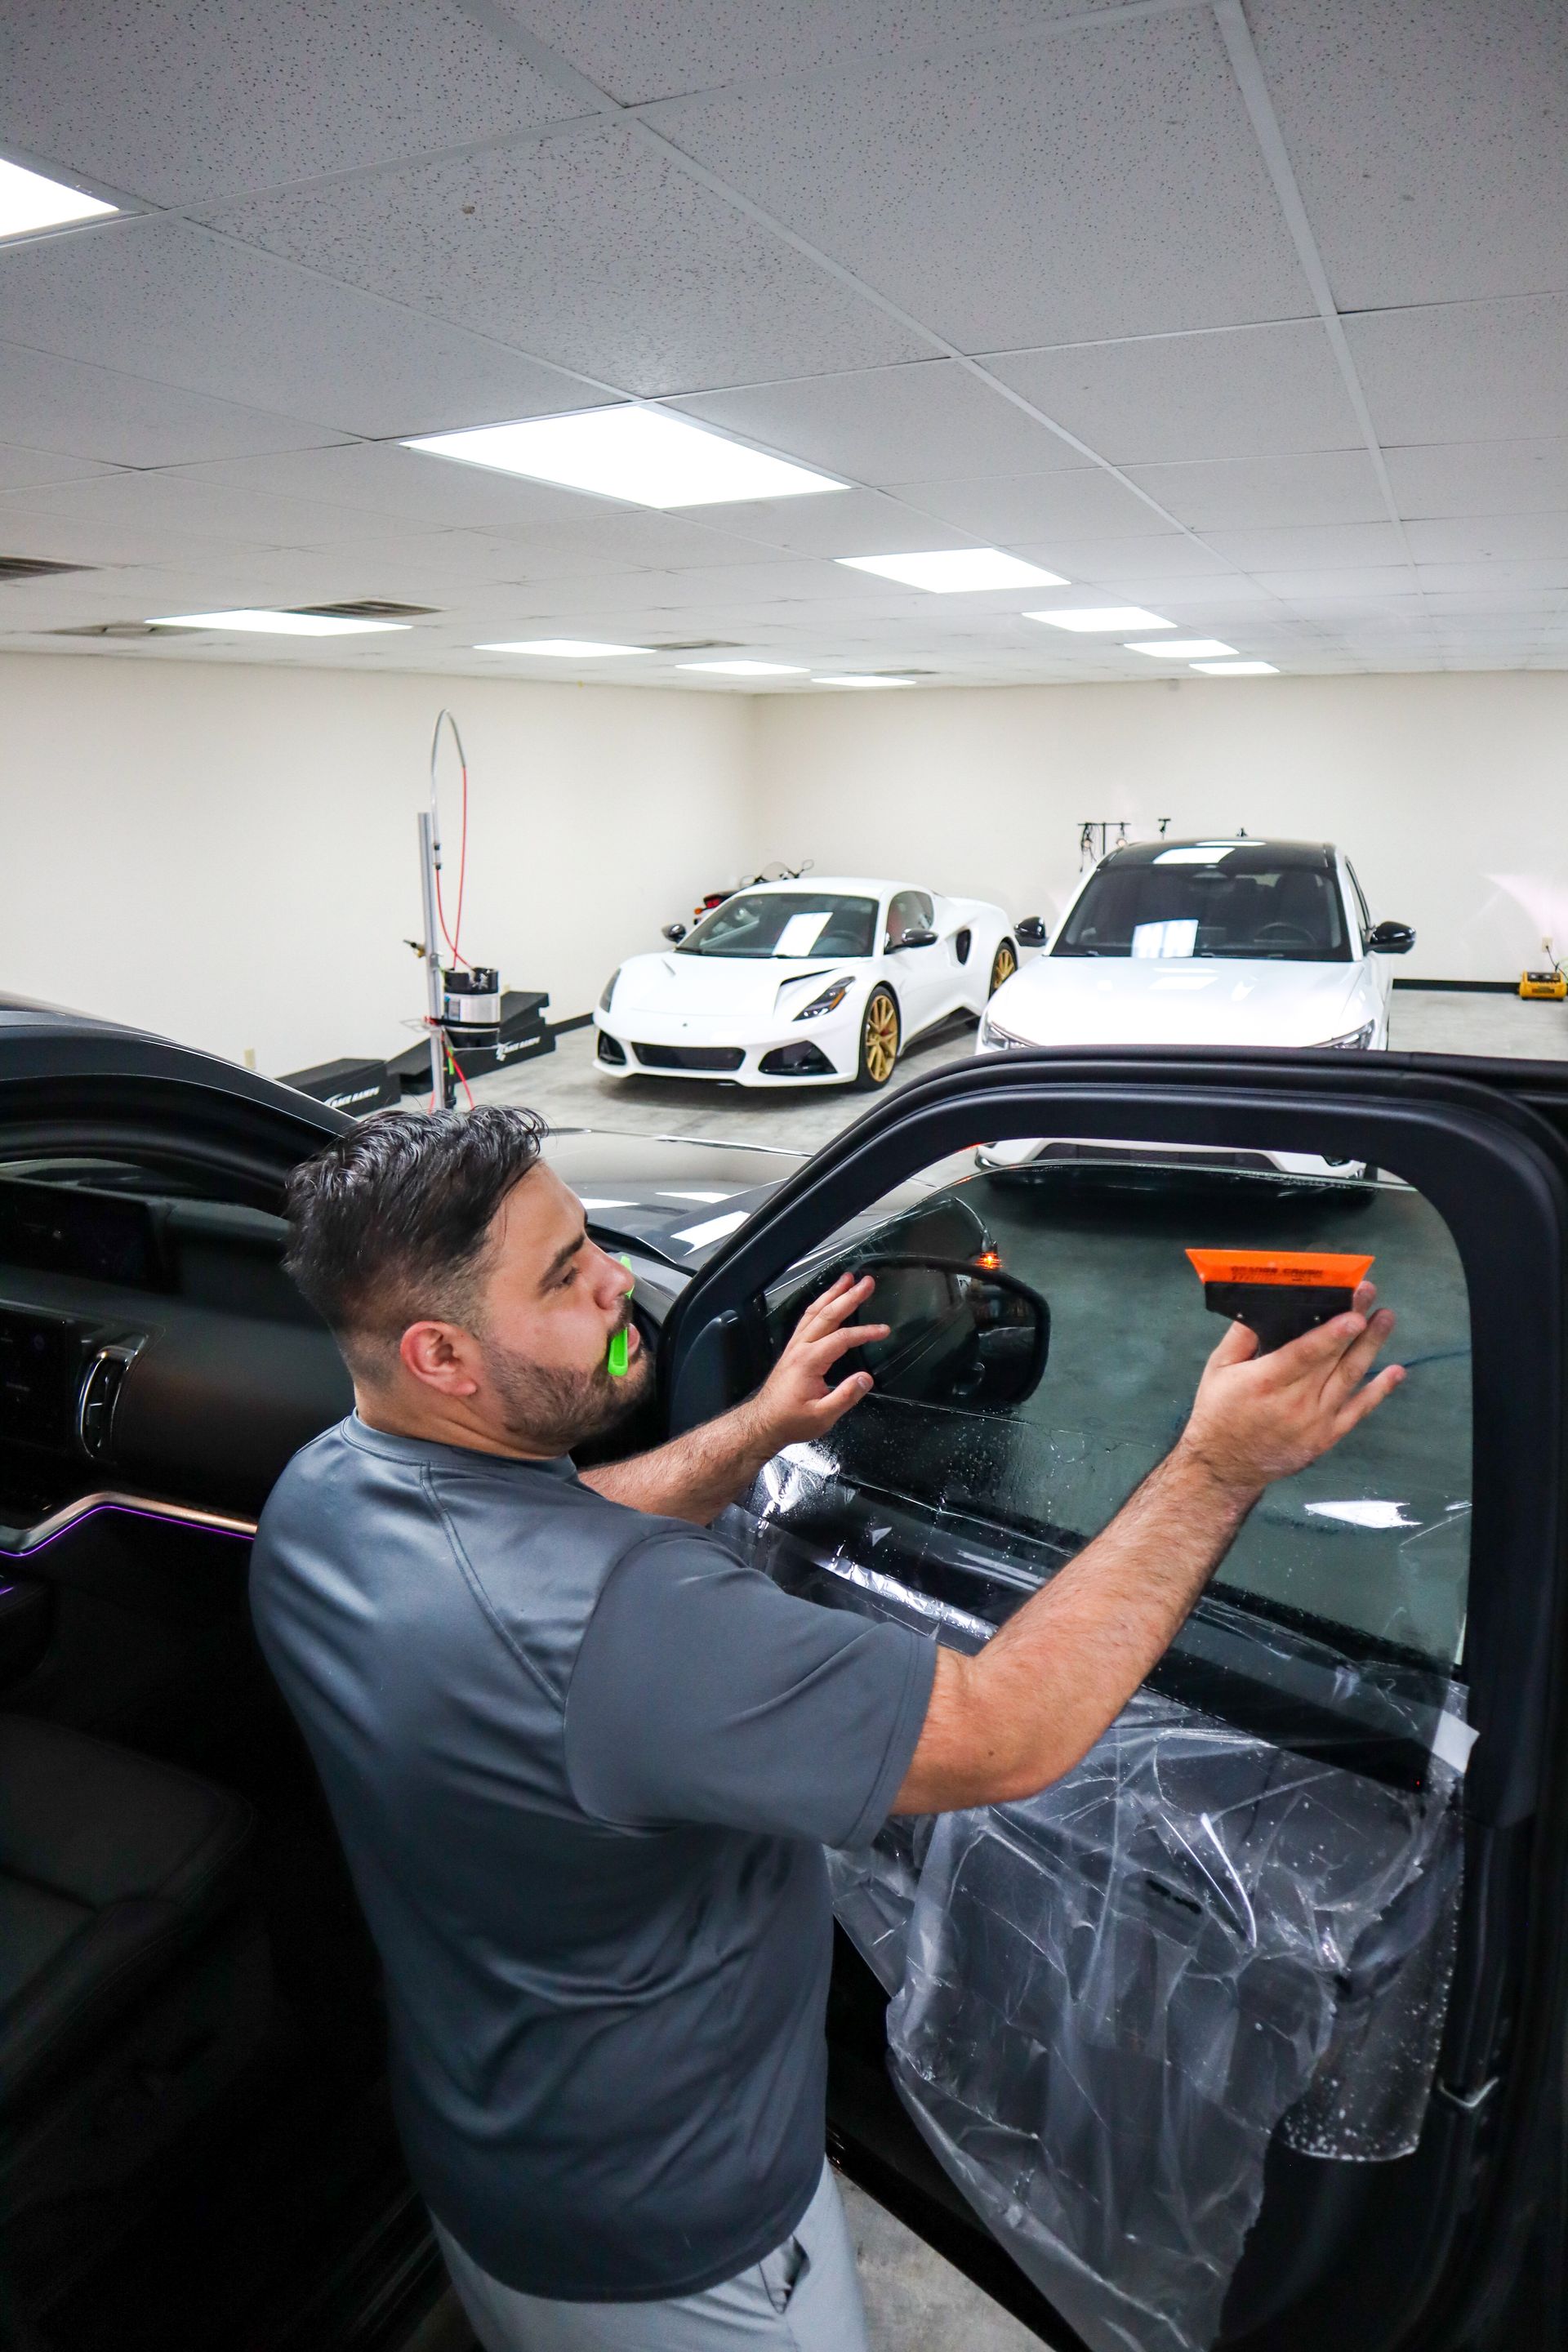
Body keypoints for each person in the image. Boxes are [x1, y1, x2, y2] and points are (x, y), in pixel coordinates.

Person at [251, 1106, 1402, 2352]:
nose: (617, 1280)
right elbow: (1006, 1729)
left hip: (490, 2165)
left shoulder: (323, 1496)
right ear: (441, 1356)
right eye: (567, 1277)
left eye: (588, 1239)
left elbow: (562, 1529)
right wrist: (1219, 1465)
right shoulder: (634, 1629)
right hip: (688, 2253)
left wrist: (759, 1429)